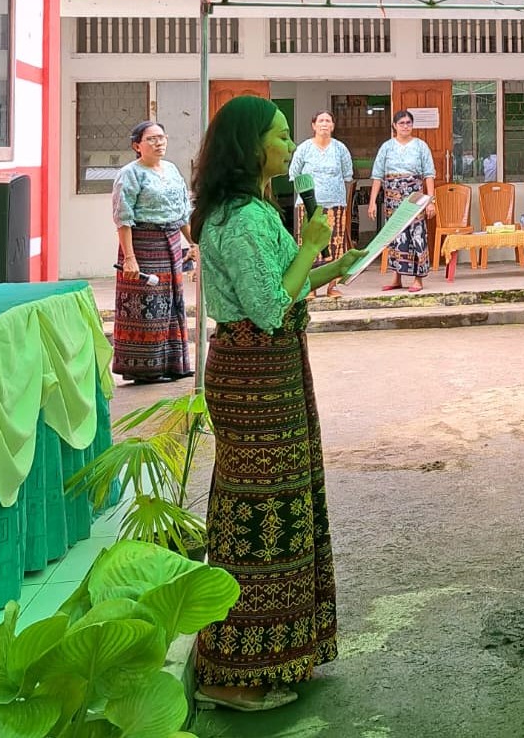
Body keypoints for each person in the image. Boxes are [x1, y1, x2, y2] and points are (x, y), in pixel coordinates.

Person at [190, 96, 365, 712]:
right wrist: (313, 242)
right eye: (281, 136)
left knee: (284, 503)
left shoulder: (253, 208)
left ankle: (280, 652)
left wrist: (327, 265)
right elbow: (267, 309)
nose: (291, 147)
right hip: (253, 375)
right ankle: (232, 673)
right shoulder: (236, 217)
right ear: (250, 147)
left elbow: (279, 284)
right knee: (258, 512)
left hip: (273, 371)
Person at [111, 120, 194, 383]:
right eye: (151, 139)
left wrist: (194, 244)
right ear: (137, 145)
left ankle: (173, 364)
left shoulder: (171, 170)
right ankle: (143, 368)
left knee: (172, 303)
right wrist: (130, 258)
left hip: (170, 243)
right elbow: (123, 219)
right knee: (147, 307)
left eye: (162, 137)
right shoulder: (130, 174)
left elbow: (182, 214)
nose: (159, 143)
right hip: (143, 244)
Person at [289, 110, 355, 299]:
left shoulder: (340, 148)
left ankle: (332, 286)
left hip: (335, 205)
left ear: (333, 126)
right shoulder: (304, 148)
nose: (324, 124)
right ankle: (310, 287)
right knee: (310, 246)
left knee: (335, 244)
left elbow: (347, 175)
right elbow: (294, 174)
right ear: (313, 125)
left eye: (328, 121)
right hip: (309, 206)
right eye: (321, 121)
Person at [368, 110, 437, 292]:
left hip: (415, 199)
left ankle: (418, 279)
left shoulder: (421, 146)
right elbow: (377, 176)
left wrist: (431, 201)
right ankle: (396, 277)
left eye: (408, 123)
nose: (405, 126)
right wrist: (372, 201)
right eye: (401, 123)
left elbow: (429, 175)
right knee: (396, 237)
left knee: (417, 236)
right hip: (392, 199)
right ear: (394, 126)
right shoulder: (387, 147)